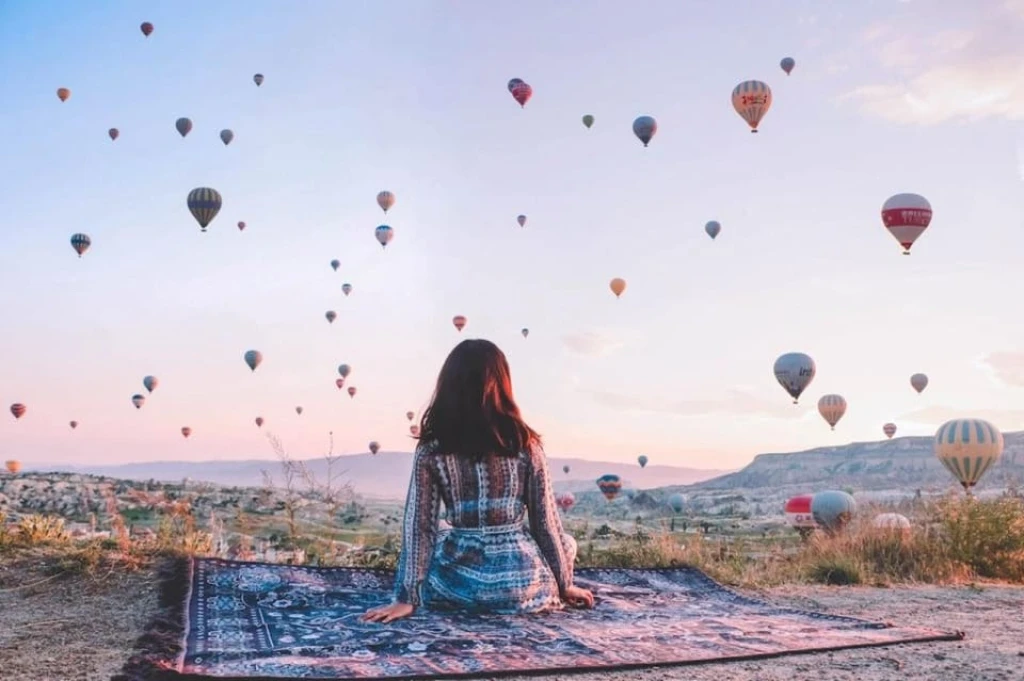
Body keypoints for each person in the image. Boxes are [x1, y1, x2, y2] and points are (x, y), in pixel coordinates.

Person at [363, 339, 594, 623]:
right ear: (503, 383)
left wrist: (406, 598)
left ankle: (434, 591)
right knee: (567, 542)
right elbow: (545, 522)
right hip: (522, 588)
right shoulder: (525, 445)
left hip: (461, 587)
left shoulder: (432, 449)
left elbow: (419, 525)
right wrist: (564, 584)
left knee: (441, 534)